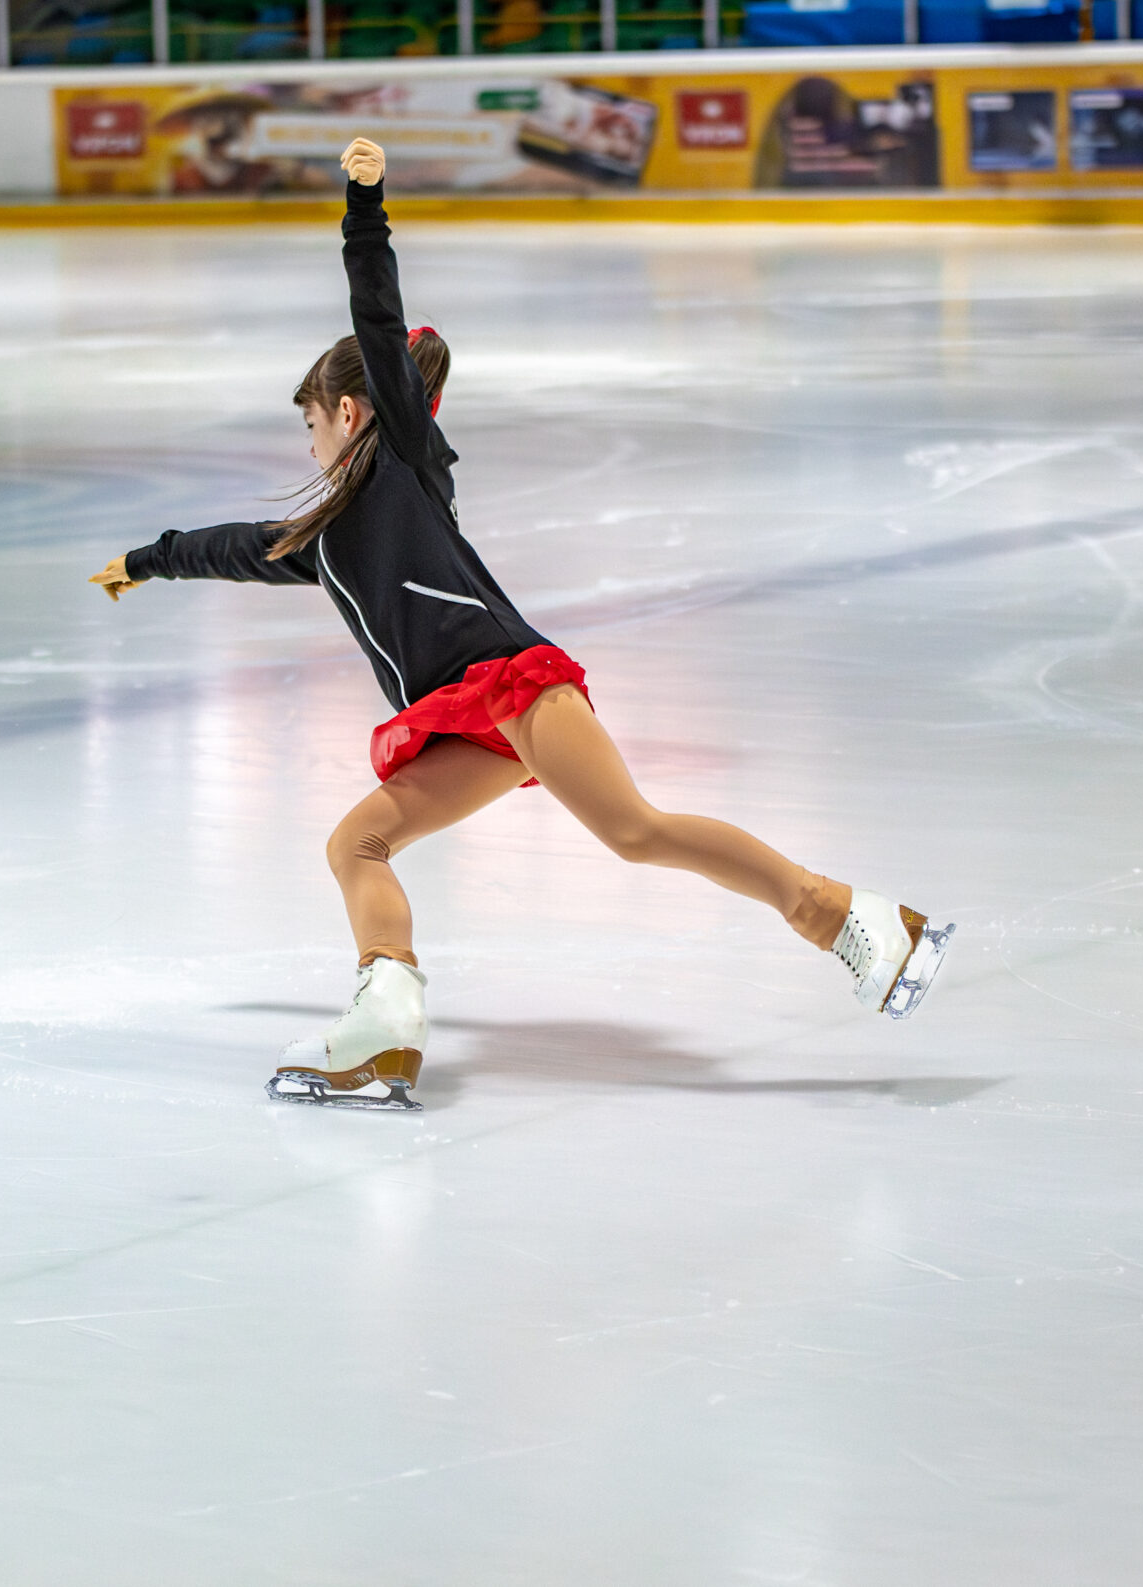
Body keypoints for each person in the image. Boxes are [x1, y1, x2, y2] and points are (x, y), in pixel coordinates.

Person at [91, 136, 950, 1108]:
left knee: (634, 832)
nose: (310, 442)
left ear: (351, 413)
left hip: (515, 686)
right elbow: (232, 548)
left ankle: (852, 919)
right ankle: (385, 1021)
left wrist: (364, 204)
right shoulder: (322, 542)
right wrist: (145, 560)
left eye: (311, 423)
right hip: (466, 724)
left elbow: (376, 316)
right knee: (356, 844)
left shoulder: (406, 464)